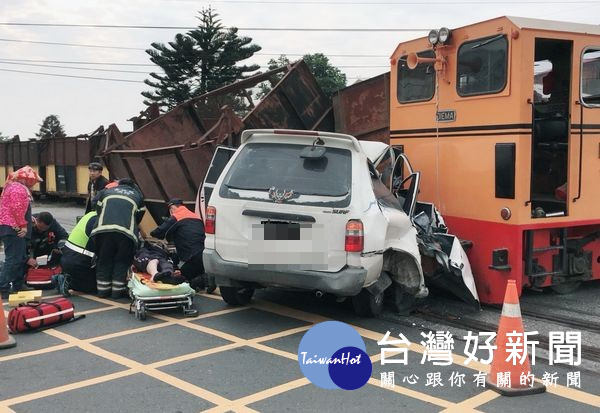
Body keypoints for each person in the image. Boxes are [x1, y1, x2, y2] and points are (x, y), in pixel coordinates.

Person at [90, 178, 145, 298]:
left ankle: (103, 291)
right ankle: (117, 292)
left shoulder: (107, 192)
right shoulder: (138, 196)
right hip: (126, 233)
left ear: (119, 184)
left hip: (103, 230)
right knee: (122, 261)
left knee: (104, 260)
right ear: (133, 186)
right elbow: (138, 217)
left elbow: (97, 209)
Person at [0, 166, 43, 298]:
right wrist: (23, 225)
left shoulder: (12, 186)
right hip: (13, 228)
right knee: (13, 259)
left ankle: (17, 284)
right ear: (26, 179)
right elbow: (16, 209)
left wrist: (28, 218)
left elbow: (12, 208)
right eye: (33, 181)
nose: (34, 184)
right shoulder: (18, 188)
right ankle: (3, 287)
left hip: (9, 226)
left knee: (18, 258)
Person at [150, 198, 210, 291]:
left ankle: (205, 280)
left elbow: (158, 232)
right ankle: (203, 278)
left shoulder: (176, 216)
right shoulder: (196, 217)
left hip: (192, 257)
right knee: (193, 271)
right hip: (204, 255)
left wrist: (152, 233)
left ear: (172, 208)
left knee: (177, 279)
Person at [54, 211, 99, 296]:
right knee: (93, 288)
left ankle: (62, 278)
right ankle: (69, 282)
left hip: (67, 257)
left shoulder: (89, 215)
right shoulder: (97, 221)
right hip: (78, 261)